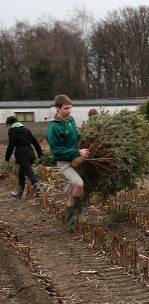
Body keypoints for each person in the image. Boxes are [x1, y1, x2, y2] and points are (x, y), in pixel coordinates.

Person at [47, 94, 90, 231]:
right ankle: (78, 212)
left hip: (76, 161)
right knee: (79, 183)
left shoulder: (70, 120)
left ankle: (69, 223)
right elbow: (57, 151)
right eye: (66, 108)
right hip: (64, 162)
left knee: (73, 192)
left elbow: (76, 136)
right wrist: (78, 152)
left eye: (70, 108)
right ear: (58, 108)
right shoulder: (54, 127)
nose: (69, 111)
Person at [5, 116, 43, 198]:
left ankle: (37, 187)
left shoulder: (13, 131)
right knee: (21, 173)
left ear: (9, 123)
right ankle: (20, 193)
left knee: (29, 172)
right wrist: (40, 154)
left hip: (21, 154)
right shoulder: (26, 130)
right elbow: (35, 142)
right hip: (31, 153)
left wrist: (7, 157)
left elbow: (11, 146)